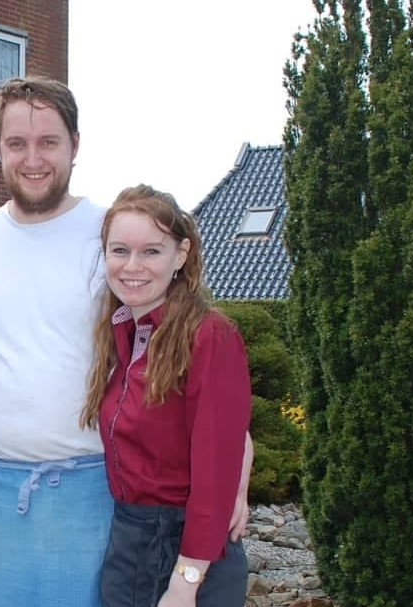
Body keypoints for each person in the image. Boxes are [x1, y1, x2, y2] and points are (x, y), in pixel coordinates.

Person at [0, 76, 253, 607]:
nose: (32, 158)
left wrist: (232, 480)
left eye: (49, 142)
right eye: (16, 143)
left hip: (88, 493)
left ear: (76, 145)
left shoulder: (112, 236)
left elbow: (201, 382)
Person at [82, 185, 251, 607]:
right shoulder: (122, 332)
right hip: (129, 543)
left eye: (151, 252)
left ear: (181, 254)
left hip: (187, 553)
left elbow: (216, 464)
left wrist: (185, 583)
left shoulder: (209, 336)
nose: (132, 266)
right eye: (120, 251)